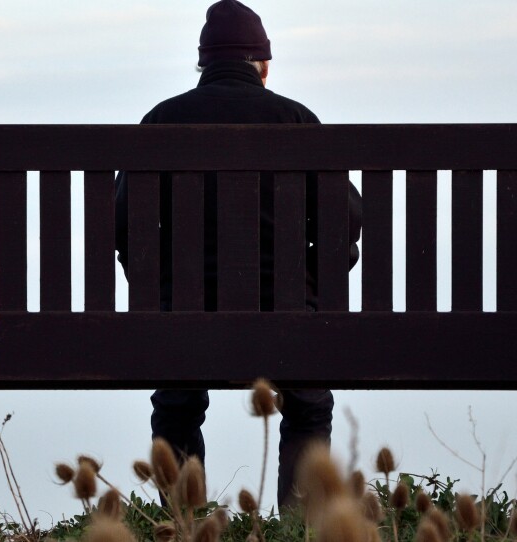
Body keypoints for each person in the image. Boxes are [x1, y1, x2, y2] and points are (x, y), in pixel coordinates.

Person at [114, 0, 362, 507]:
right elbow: (347, 223)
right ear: (263, 66)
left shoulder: (161, 122)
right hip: (290, 315)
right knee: (309, 406)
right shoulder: (298, 121)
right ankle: (301, 528)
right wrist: (313, 285)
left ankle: (185, 525)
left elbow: (123, 229)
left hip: (181, 319)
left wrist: (159, 293)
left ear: (203, 65)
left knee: (177, 403)